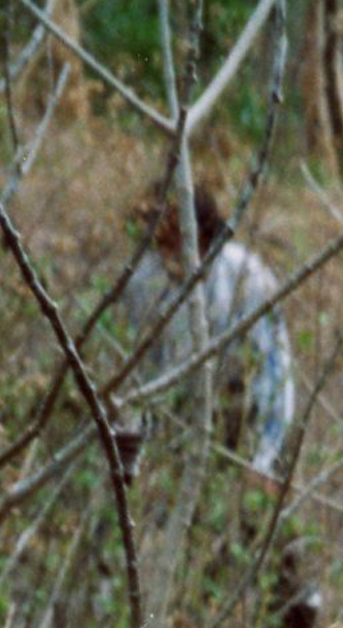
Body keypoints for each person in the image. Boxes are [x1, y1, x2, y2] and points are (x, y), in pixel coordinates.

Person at [127, 184, 297, 487]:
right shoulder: (144, 281)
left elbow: (275, 371)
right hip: (177, 421)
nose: (173, 255)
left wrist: (263, 459)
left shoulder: (247, 277)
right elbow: (141, 371)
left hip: (240, 419)